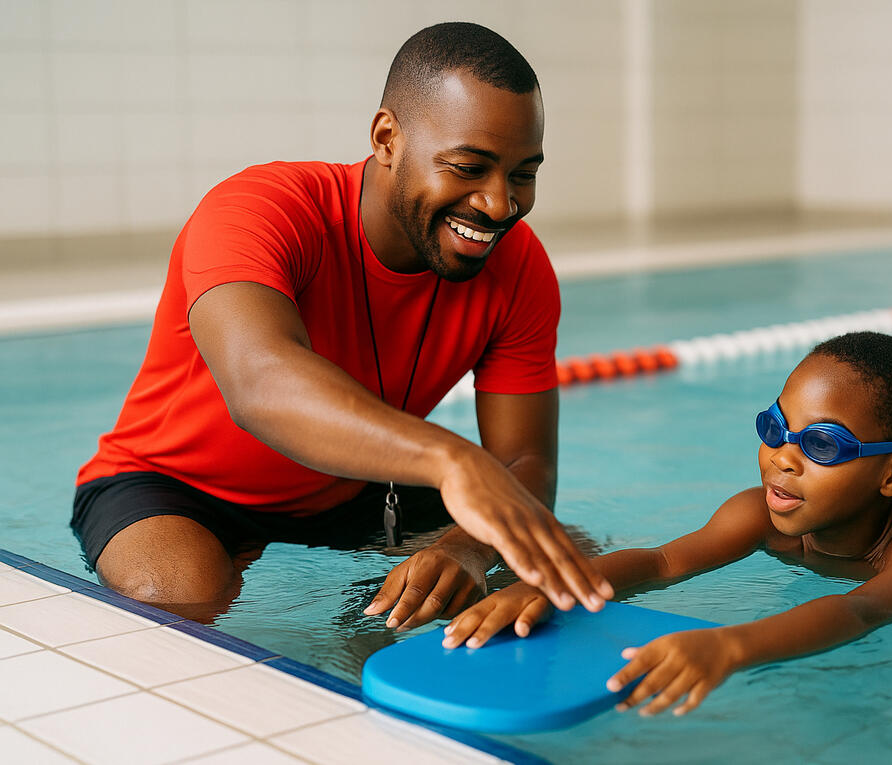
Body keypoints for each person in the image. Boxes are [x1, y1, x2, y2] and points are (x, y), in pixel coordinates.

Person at [71, 22, 613, 623]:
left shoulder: (520, 268)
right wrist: (451, 460)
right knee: (176, 595)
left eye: (522, 174)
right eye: (468, 167)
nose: (498, 205)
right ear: (387, 138)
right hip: (174, 488)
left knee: (562, 560)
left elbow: (525, 464)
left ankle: (365, 630)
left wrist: (465, 551)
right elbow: (260, 384)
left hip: (350, 488)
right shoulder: (261, 210)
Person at [443, 331, 892, 717]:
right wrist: (549, 586)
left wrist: (730, 645)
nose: (782, 459)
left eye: (821, 444)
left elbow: (861, 610)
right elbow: (663, 562)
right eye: (776, 427)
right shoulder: (761, 514)